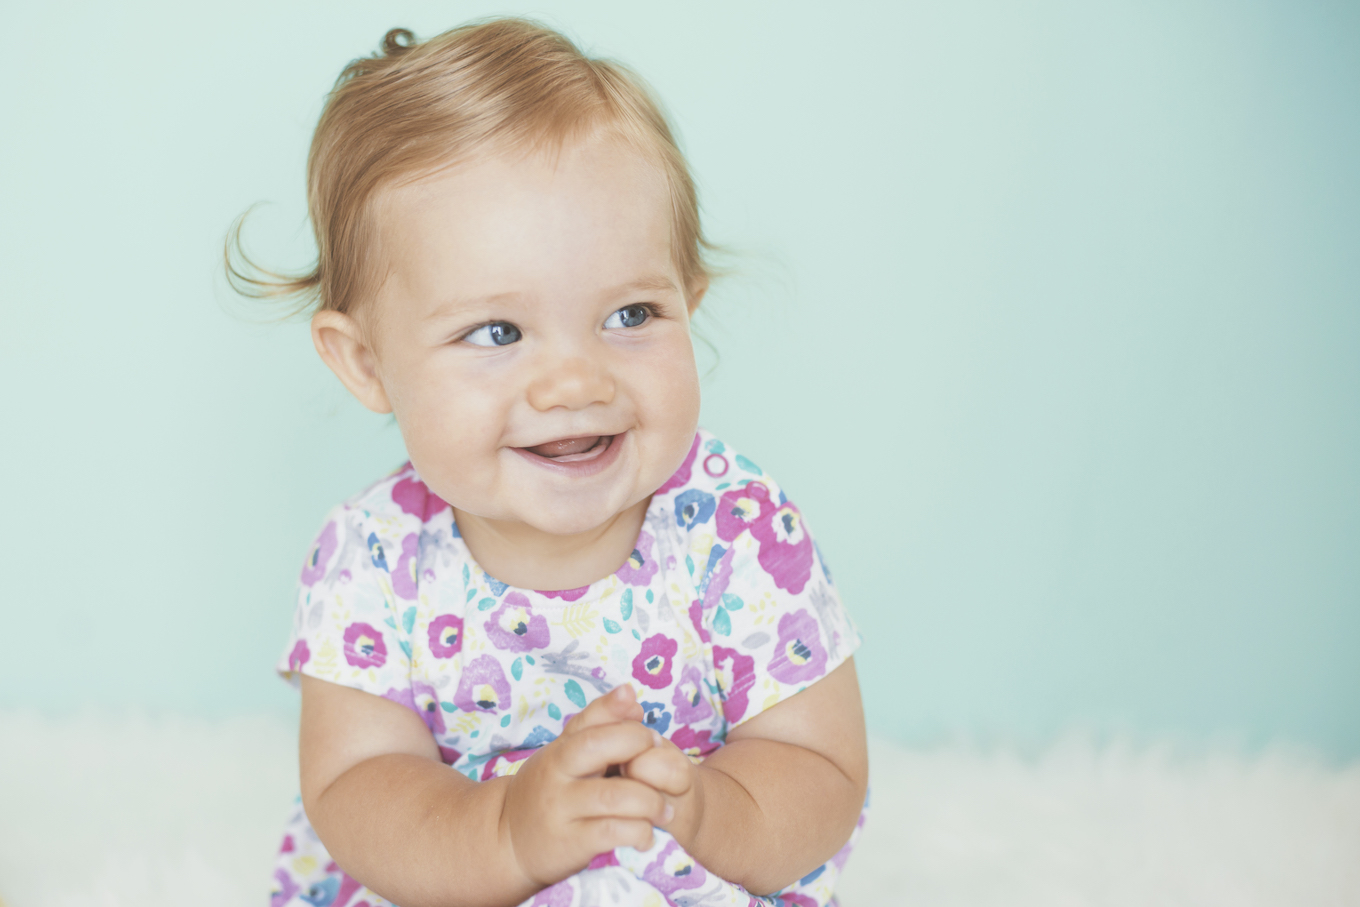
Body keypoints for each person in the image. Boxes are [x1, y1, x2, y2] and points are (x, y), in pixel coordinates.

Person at [235, 18, 868, 907]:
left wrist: (708, 808)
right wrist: (505, 831)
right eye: (497, 332)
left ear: (690, 300)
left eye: (631, 315)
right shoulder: (374, 555)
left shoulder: (738, 527)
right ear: (367, 362)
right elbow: (357, 786)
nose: (575, 380)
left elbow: (822, 764)